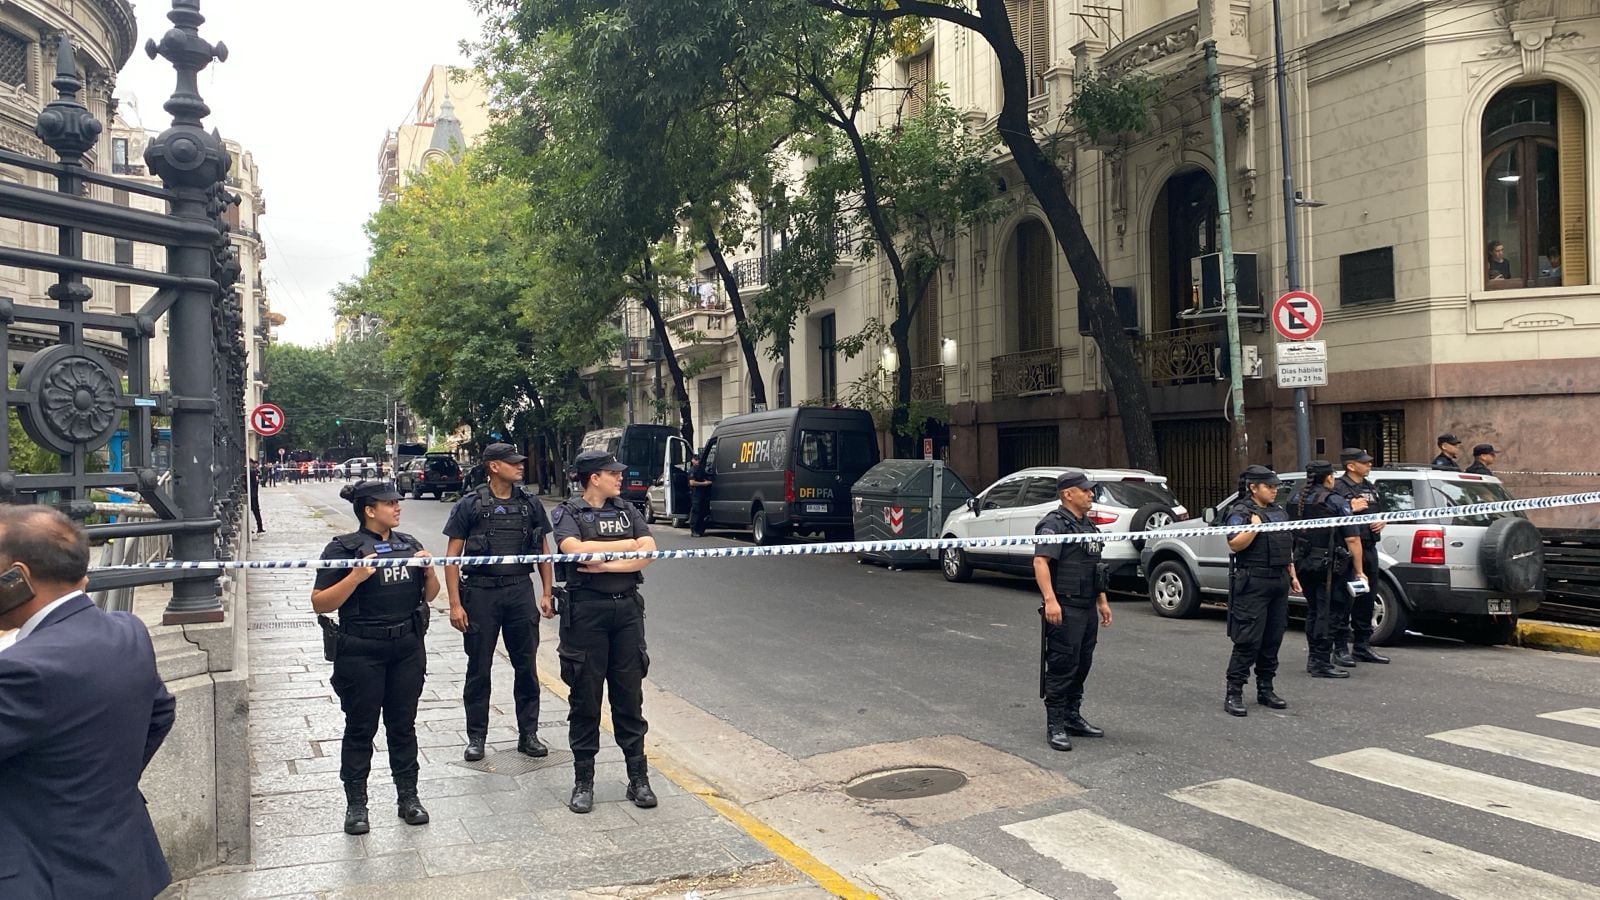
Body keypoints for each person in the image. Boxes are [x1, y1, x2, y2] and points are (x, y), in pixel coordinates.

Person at [0, 504, 176, 899]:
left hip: (42, 876)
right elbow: (161, 712)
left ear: (19, 576)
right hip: (121, 862)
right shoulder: (127, 631)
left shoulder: (20, 671)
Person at [312, 481, 438, 835]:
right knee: (360, 728)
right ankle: (356, 805)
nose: (398, 507)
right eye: (390, 503)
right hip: (361, 650)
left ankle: (408, 798)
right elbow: (320, 602)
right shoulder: (343, 549)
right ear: (369, 510)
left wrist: (428, 571)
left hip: (406, 647)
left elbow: (430, 594)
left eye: (398, 501)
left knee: (403, 725)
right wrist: (354, 577)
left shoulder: (408, 544)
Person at [554, 450, 659, 813]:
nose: (620, 477)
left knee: (629, 697)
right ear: (593, 478)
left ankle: (638, 778)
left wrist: (611, 560)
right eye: (612, 473)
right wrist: (625, 547)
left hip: (627, 609)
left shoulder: (627, 510)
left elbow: (648, 550)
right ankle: (584, 781)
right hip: (585, 613)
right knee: (585, 697)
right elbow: (575, 551)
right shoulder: (567, 512)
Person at [443, 442, 555, 763]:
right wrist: (455, 603)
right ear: (494, 466)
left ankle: (528, 734)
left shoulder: (530, 504)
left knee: (526, 666)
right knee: (478, 668)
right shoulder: (470, 505)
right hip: (480, 593)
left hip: (520, 590)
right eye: (513, 463)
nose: (520, 466)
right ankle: (476, 737)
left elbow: (543, 552)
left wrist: (546, 592)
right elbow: (451, 558)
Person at [1032, 471, 1113, 752]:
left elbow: (1095, 567)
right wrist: (1050, 601)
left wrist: (1102, 600)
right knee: (1062, 665)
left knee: (1082, 663)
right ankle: (1055, 724)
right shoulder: (1054, 525)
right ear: (1068, 494)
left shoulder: (1088, 526)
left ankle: (1072, 716)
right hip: (1064, 606)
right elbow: (1041, 563)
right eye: (1085, 490)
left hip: (1087, 604)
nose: (1091, 494)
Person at [1221, 466, 1299, 716]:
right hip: (1253, 581)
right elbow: (1234, 544)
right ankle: (1234, 692)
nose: (1275, 490)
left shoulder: (1279, 512)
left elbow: (1286, 545)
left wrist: (1292, 573)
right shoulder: (1241, 512)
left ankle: (1266, 688)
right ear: (1254, 487)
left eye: (1276, 486)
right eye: (1269, 486)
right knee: (1248, 639)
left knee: (1273, 638)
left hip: (1278, 579)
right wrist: (1253, 528)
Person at [1290, 461, 1361, 679]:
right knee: (1329, 612)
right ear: (1328, 477)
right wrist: (1359, 570)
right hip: (1329, 565)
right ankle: (1321, 661)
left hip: (1304, 561)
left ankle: (1315, 658)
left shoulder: (1296, 499)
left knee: (1314, 610)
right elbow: (1352, 538)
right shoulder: (1335, 501)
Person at [1333, 448, 1392, 667]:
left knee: (1368, 597)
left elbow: (1380, 511)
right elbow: (1331, 516)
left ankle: (1362, 646)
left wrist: (1381, 521)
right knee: (1344, 599)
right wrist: (1350, 507)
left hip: (1369, 547)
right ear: (1351, 465)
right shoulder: (1338, 488)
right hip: (1346, 550)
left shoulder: (1370, 486)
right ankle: (1339, 648)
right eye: (1364, 462)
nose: (1369, 465)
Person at [687, 451, 713, 536]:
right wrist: (704, 484)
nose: (697, 461)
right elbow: (692, 482)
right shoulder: (692, 469)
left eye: (698, 459)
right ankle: (694, 530)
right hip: (695, 493)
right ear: (692, 460)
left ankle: (699, 530)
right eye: (696, 459)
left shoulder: (701, 469)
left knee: (702, 511)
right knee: (695, 511)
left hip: (702, 493)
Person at [249, 462, 265, 533]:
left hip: (252, 494)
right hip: (253, 494)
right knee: (256, 511)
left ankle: (256, 527)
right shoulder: (253, 471)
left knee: (253, 512)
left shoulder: (250, 471)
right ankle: (259, 527)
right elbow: (256, 482)